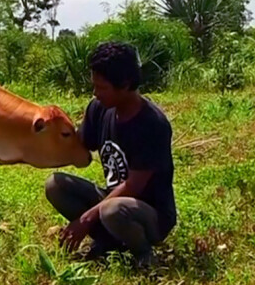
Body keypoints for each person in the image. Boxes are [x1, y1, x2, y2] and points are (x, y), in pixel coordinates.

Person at [44, 41, 177, 263]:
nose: (95, 93)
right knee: (55, 185)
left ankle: (143, 254)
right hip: (112, 200)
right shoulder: (99, 109)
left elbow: (134, 186)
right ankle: (108, 241)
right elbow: (80, 145)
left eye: (102, 88)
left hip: (148, 214)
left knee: (111, 210)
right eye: (94, 86)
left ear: (125, 85)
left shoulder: (152, 124)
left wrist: (85, 220)